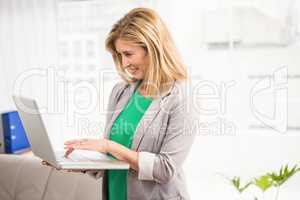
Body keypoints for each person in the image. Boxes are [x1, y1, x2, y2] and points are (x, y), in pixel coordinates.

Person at [45, 7, 196, 200]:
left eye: (128, 54)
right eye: (119, 55)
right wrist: (75, 163)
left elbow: (165, 169)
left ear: (152, 49)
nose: (124, 63)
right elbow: (113, 159)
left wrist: (109, 146)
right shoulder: (121, 92)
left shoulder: (180, 97)